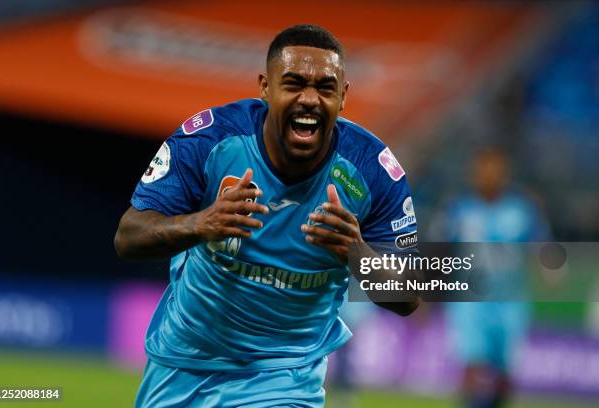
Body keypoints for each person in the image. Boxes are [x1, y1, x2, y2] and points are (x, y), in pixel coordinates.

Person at [115, 24, 418, 407]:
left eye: (325, 87)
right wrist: (201, 223)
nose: (309, 99)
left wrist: (356, 250)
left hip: (285, 376)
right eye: (293, 83)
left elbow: (409, 295)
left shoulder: (373, 171)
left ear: (343, 96)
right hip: (183, 363)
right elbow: (128, 237)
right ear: (265, 87)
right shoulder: (209, 140)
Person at [432, 148, 550, 408]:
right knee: (471, 363)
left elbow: (541, 245)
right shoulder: (459, 209)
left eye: (494, 171)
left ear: (504, 174)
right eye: (482, 171)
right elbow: (440, 249)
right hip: (469, 301)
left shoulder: (521, 209)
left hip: (510, 301)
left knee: (505, 371)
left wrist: (548, 267)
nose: (488, 176)